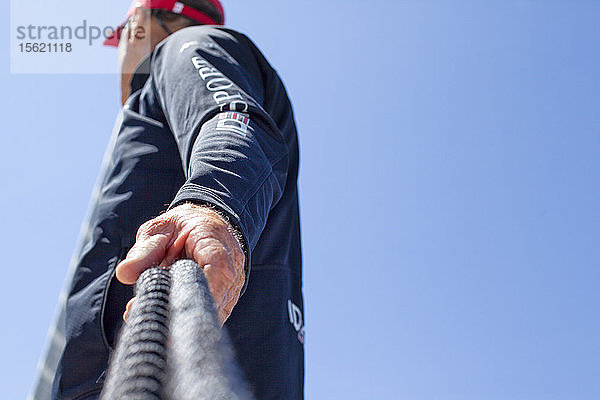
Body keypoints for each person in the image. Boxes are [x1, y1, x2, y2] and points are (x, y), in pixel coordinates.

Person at [31, 1, 304, 399]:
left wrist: (212, 204)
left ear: (138, 24)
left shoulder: (190, 46)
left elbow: (231, 119)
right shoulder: (173, 86)